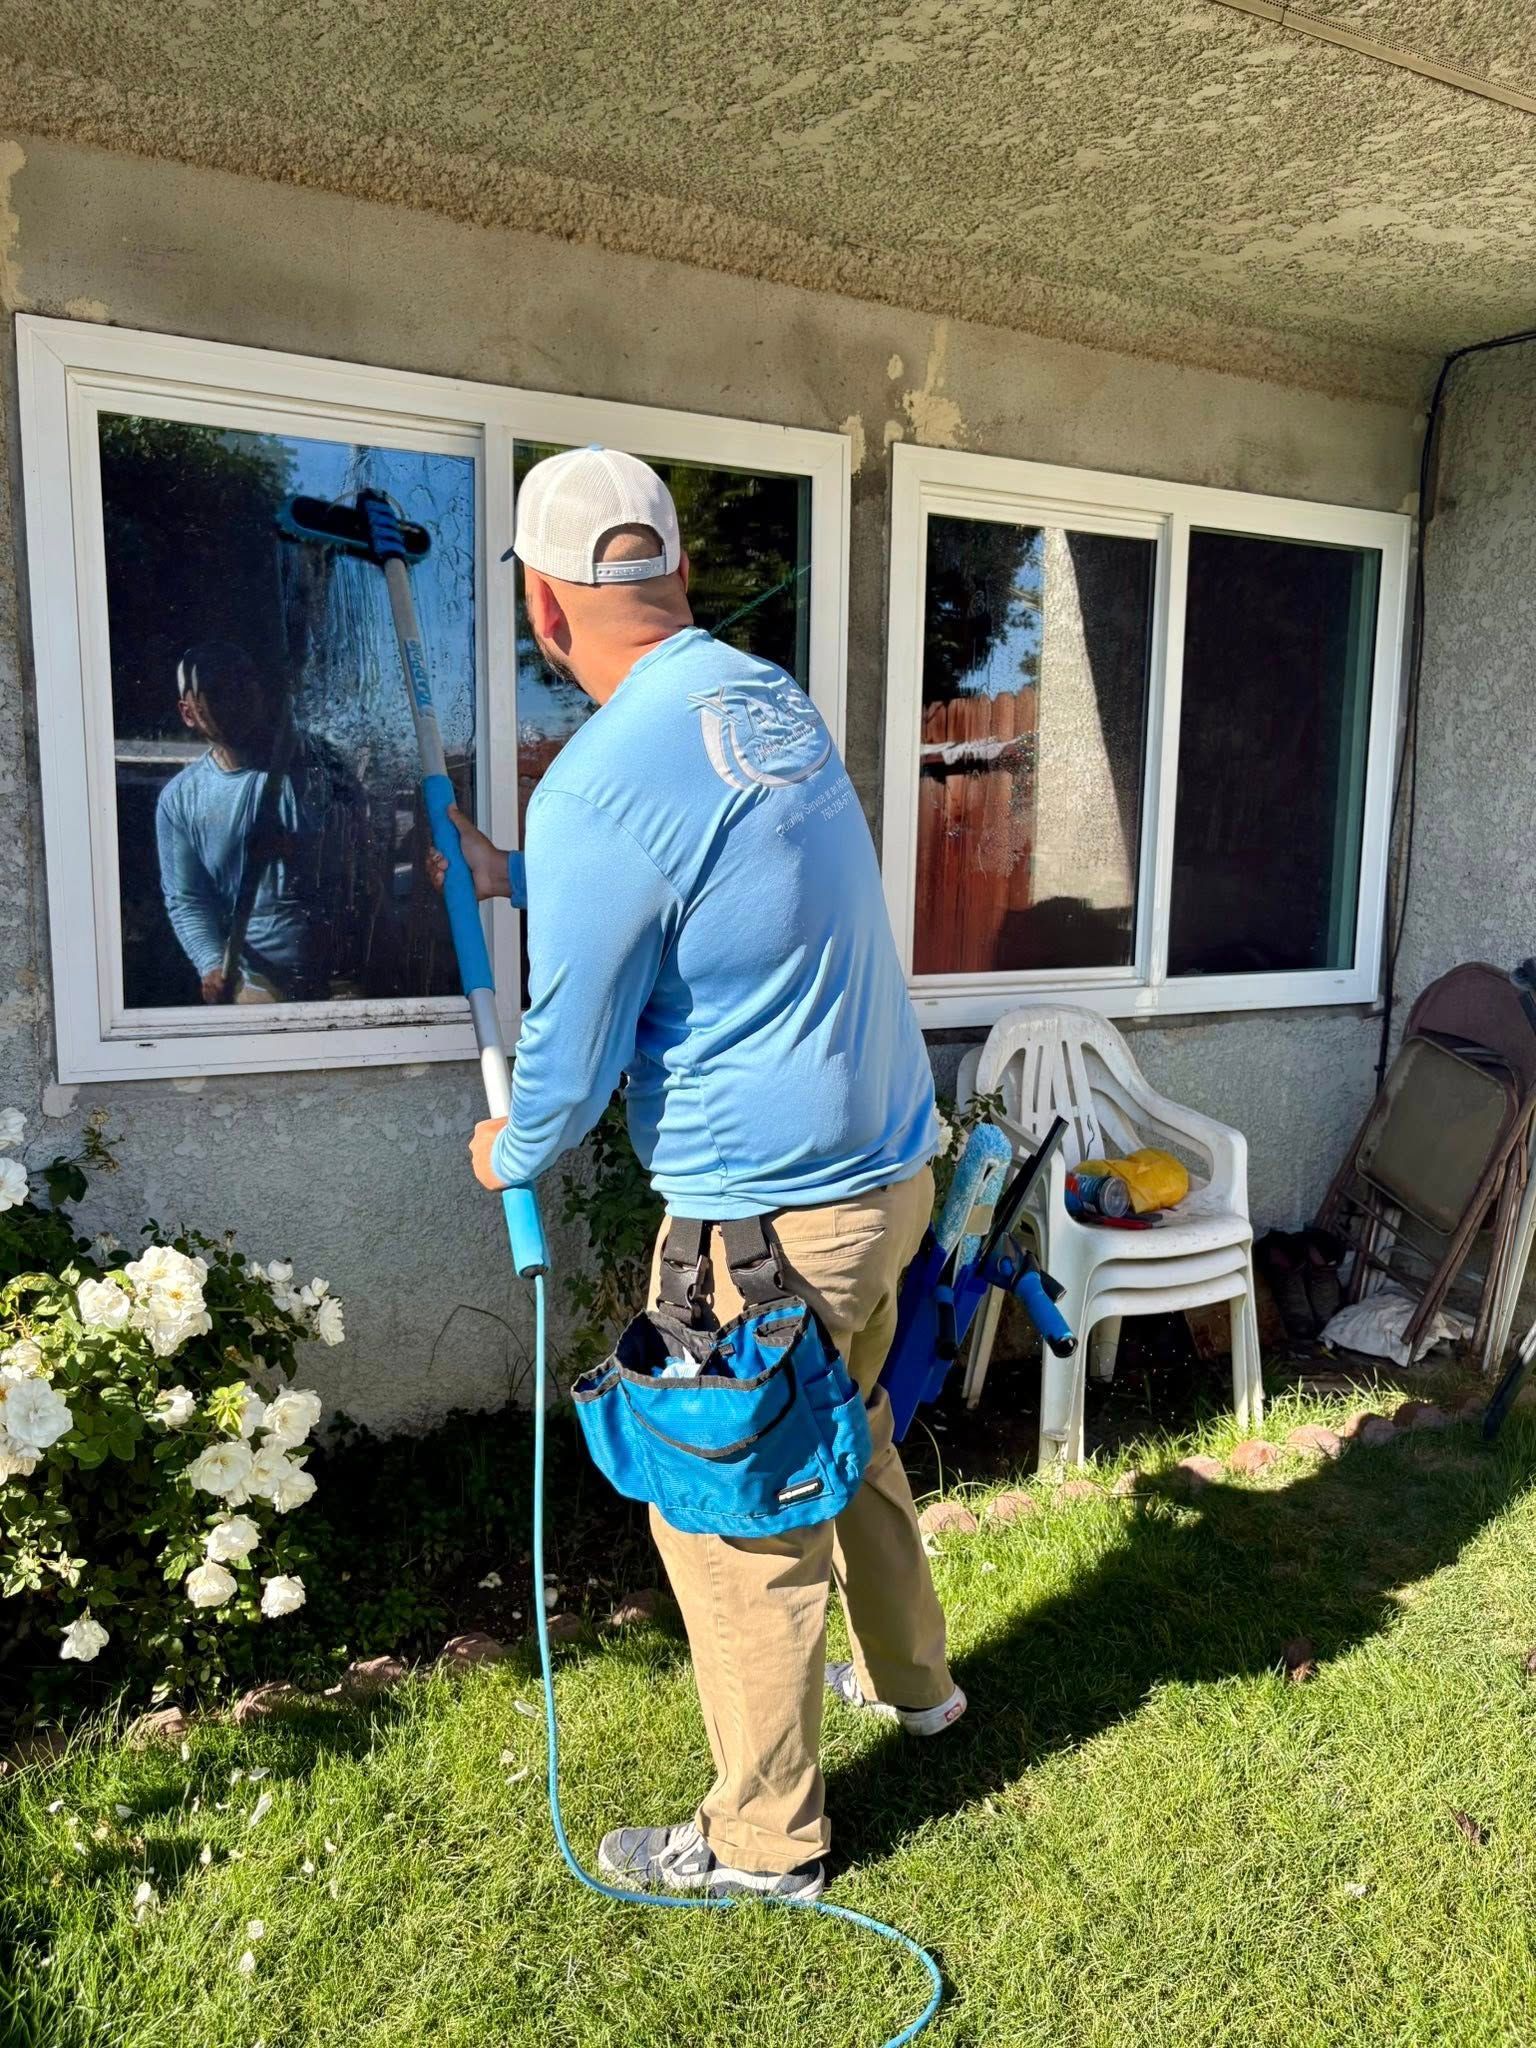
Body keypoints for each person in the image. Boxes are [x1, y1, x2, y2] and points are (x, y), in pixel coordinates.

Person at [438, 446, 964, 1904]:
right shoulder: (763, 704)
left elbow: (569, 1055)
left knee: (729, 1516)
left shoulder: (600, 783)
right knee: (843, 1430)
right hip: (891, 1173)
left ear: (546, 612)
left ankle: (764, 1843)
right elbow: (720, 884)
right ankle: (920, 1690)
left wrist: (512, 1151)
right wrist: (516, 873)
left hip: (776, 1217)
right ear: (674, 573)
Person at [156, 640, 364, 1003]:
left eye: (244, 682)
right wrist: (210, 964)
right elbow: (188, 898)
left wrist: (298, 852)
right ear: (188, 712)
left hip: (342, 970)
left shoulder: (319, 765)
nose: (235, 697)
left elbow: (363, 863)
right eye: (217, 690)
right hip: (254, 975)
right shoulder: (181, 800)